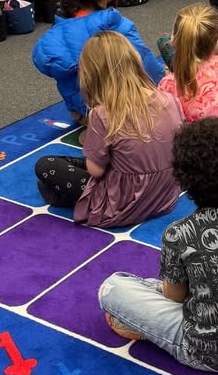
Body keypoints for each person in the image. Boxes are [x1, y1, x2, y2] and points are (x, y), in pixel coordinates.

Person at [98, 118, 218, 371]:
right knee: (166, 285)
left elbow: (175, 298)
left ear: (181, 176)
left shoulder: (179, 234)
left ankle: (141, 324)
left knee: (112, 287)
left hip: (208, 354)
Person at [34, 31, 183, 228]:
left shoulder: (103, 114)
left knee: (46, 165)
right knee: (100, 160)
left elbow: (96, 171)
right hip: (165, 194)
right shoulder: (168, 99)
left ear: (92, 76)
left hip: (125, 202)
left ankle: (68, 199)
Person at [32, 0, 164, 122]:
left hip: (87, 115)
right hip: (130, 112)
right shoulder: (118, 26)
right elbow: (149, 72)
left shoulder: (54, 37)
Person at [158, 3, 218, 149]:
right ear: (216, 40)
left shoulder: (168, 83)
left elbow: (167, 121)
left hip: (195, 154)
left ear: (174, 40)